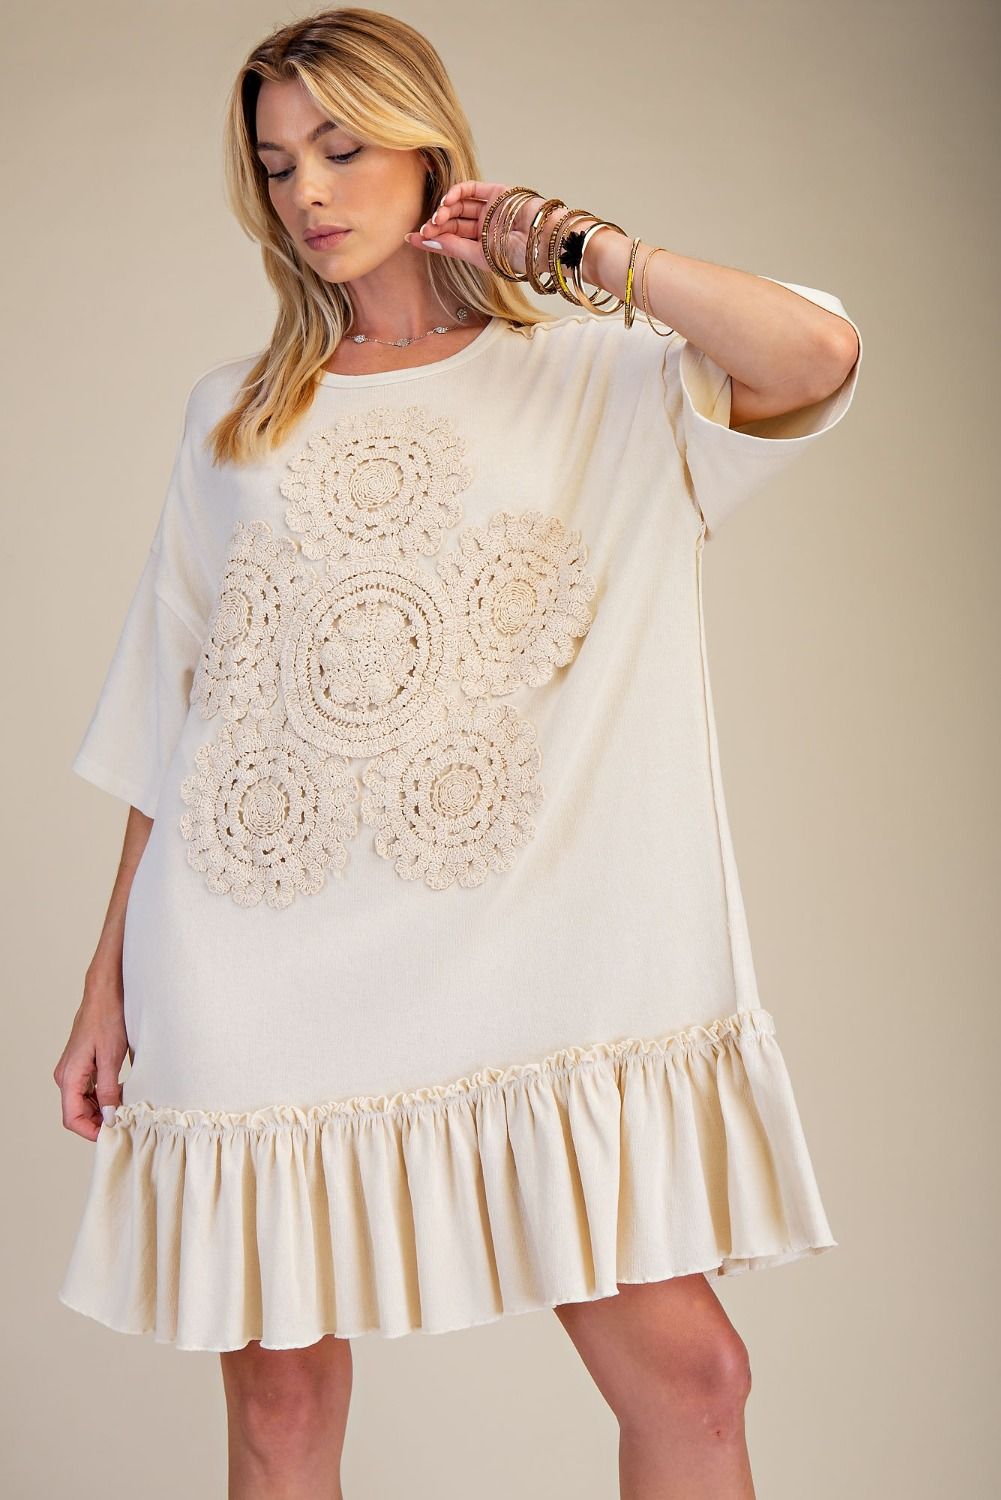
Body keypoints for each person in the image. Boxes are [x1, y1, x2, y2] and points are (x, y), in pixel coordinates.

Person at [53, 8, 862, 1498]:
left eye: (344, 145)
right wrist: (105, 976)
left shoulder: (605, 384)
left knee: (694, 1380)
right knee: (282, 1410)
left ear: (429, 142)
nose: (309, 189)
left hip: (529, 953)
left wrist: (578, 250)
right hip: (249, 957)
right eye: (279, 159)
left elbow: (815, 352)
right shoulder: (233, 417)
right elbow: (185, 703)